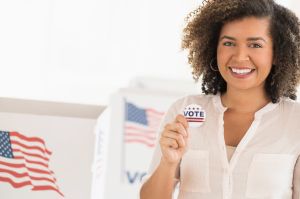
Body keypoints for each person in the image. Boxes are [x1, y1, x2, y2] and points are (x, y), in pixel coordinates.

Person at [140, 0, 300, 198]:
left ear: (276, 54)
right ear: (214, 48)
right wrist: (168, 162)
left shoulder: (295, 122)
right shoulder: (183, 111)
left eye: (255, 45)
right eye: (229, 43)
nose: (240, 56)